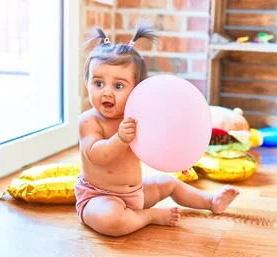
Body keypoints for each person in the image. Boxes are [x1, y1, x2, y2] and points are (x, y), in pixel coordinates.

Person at [75, 23, 240, 237]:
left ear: (137, 89)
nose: (106, 93)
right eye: (98, 83)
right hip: (99, 197)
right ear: (86, 82)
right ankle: (150, 216)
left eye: (118, 86)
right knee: (111, 220)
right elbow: (97, 155)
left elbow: (159, 140)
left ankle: (211, 201)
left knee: (170, 183)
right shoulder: (89, 121)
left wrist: (179, 158)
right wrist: (120, 138)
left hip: (135, 193)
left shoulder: (138, 116)